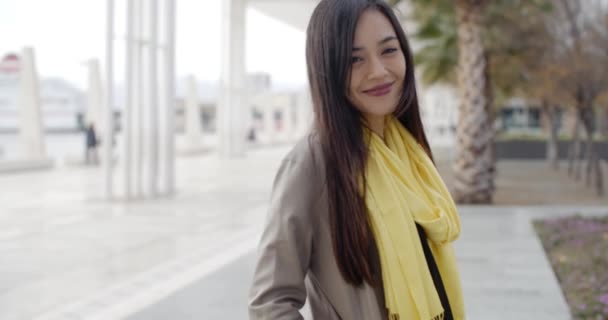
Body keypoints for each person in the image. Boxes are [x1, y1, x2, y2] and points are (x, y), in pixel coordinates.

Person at [248, 0, 465, 319]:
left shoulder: (407, 149)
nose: (378, 71)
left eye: (389, 50)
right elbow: (270, 302)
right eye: (354, 59)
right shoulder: (312, 163)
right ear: (327, 69)